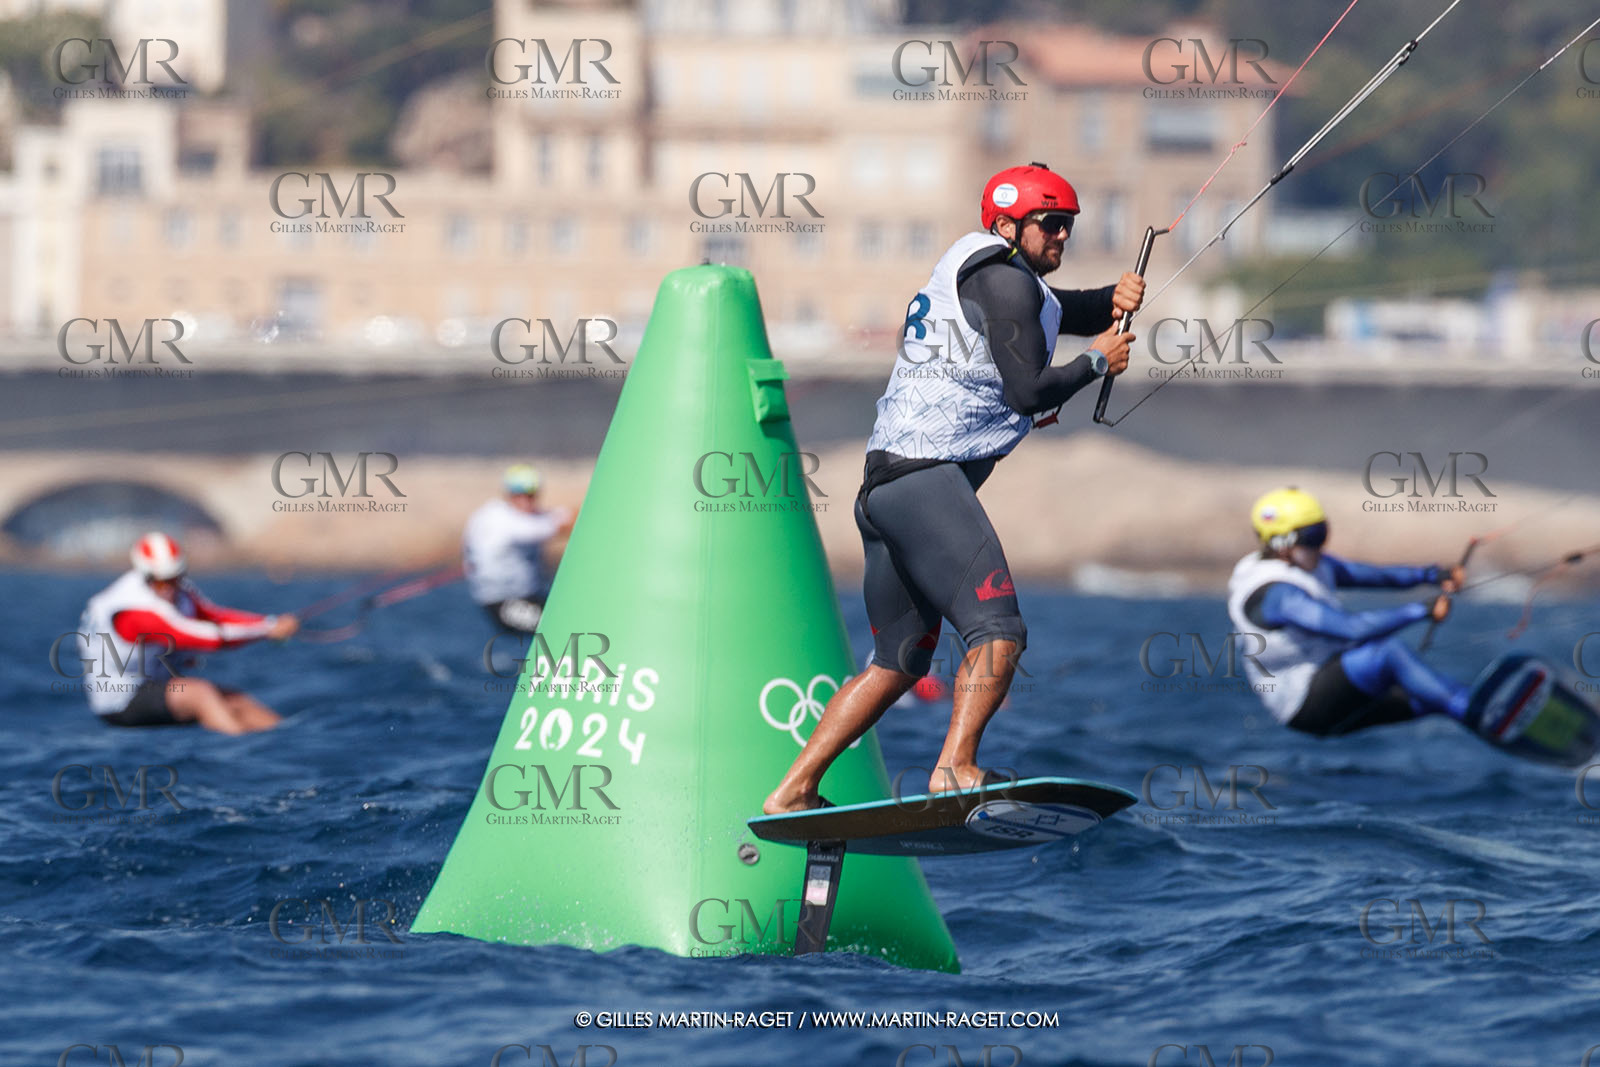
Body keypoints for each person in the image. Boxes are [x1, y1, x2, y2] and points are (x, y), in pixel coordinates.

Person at [764, 162, 1145, 813]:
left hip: (883, 489)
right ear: (1004, 225)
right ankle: (956, 768)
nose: (1060, 236)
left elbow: (1052, 312)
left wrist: (1115, 295)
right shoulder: (1002, 279)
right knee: (999, 629)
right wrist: (1093, 361)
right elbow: (1028, 389)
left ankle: (792, 790)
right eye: (1050, 225)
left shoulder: (993, 278)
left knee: (897, 662)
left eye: (1068, 226)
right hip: (924, 484)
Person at [1225, 487, 1471, 736]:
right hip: (1307, 705)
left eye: (1322, 532)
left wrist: (1434, 575)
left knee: (1431, 697)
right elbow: (1351, 629)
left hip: (1333, 685)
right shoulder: (1279, 595)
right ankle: (1475, 710)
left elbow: (1378, 576)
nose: (1320, 545)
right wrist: (1421, 610)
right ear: (1282, 543)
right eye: (1312, 536)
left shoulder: (1310, 564)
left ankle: (1491, 726)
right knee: (1387, 653)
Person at [76, 532, 297, 733]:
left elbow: (213, 617)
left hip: (153, 684)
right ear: (145, 577)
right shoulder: (133, 610)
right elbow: (205, 637)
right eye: (161, 583)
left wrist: (271, 622)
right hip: (120, 702)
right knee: (200, 694)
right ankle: (246, 757)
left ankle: (287, 740)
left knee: (236, 700)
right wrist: (268, 629)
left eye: (175, 579)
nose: (170, 589)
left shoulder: (178, 590)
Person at [462, 464, 575, 633]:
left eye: (530, 495)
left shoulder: (528, 516)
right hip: (503, 603)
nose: (525, 501)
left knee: (573, 614)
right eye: (519, 494)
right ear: (508, 494)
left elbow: (556, 517)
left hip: (531, 596)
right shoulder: (495, 516)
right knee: (558, 627)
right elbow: (539, 529)